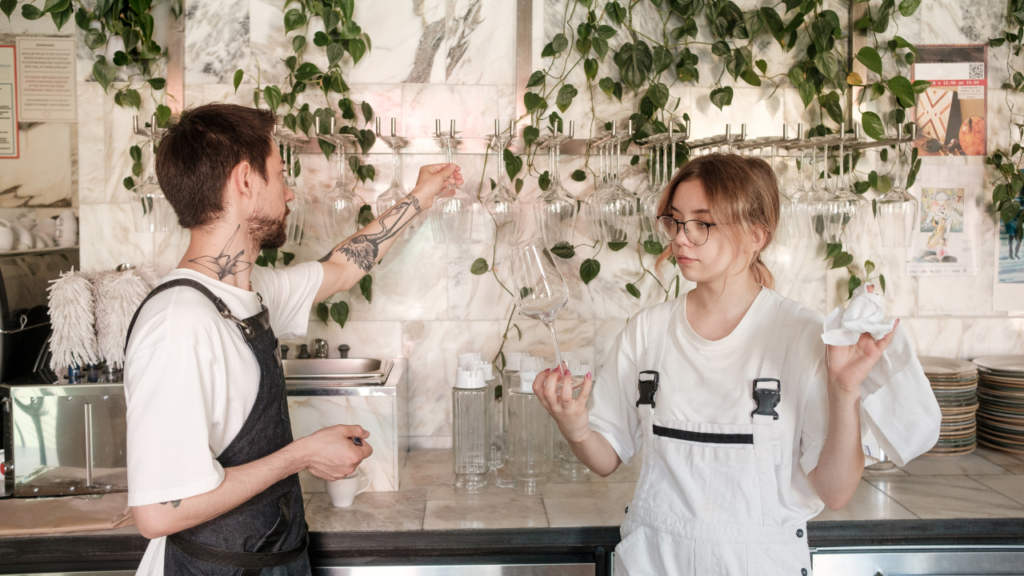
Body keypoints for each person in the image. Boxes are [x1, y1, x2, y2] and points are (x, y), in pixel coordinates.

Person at [123, 103, 463, 575]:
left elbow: (343, 269)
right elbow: (160, 511)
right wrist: (303, 454)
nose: (291, 192)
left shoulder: (246, 294)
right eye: (280, 175)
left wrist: (420, 197)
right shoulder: (178, 323)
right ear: (245, 181)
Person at [534, 154, 901, 575]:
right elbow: (607, 458)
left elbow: (835, 493)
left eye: (702, 223)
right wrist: (576, 427)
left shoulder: (799, 335)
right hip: (654, 564)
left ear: (755, 235)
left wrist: (844, 390)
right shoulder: (647, 333)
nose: (682, 238)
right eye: (675, 221)